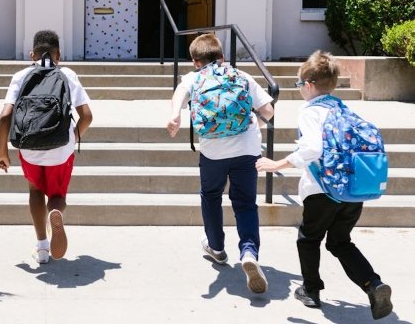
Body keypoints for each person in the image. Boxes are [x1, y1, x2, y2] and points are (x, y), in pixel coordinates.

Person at [256, 51, 393, 319]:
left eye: (299, 86)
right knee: (340, 242)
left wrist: (277, 164)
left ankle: (310, 290)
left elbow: (312, 149)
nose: (299, 91)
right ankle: (373, 284)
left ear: (308, 84)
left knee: (308, 239)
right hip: (352, 191)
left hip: (321, 191)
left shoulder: (310, 111)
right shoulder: (343, 109)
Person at [166, 33, 274, 294]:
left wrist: (174, 117)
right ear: (222, 57)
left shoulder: (194, 78)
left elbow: (179, 96)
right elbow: (269, 111)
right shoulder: (241, 76)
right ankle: (248, 253)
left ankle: (216, 247)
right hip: (247, 150)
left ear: (195, 61)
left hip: (213, 152)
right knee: (246, 203)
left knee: (211, 196)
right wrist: (252, 125)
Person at [0, 30, 93, 264]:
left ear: (32, 54)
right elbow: (87, 116)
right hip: (61, 149)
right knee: (57, 195)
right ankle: (55, 213)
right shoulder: (67, 74)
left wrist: (2, 152)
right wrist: (74, 136)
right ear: (59, 54)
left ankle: (41, 247)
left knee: (35, 191)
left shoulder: (21, 75)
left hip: (29, 147)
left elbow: (4, 116)